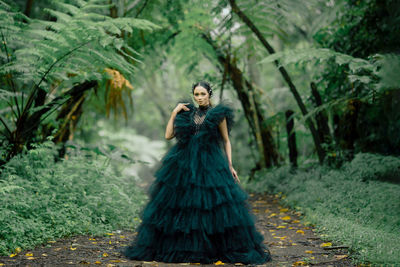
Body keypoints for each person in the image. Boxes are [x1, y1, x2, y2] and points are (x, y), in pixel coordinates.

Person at [124, 81, 272, 264]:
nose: (199, 97)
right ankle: (183, 247)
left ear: (209, 94)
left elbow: (226, 141)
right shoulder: (187, 113)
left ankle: (214, 247)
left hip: (210, 162)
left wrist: (230, 165)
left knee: (211, 205)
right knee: (182, 205)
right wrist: (174, 112)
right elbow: (168, 136)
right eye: (196, 94)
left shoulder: (218, 114)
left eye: (203, 94)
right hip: (184, 162)